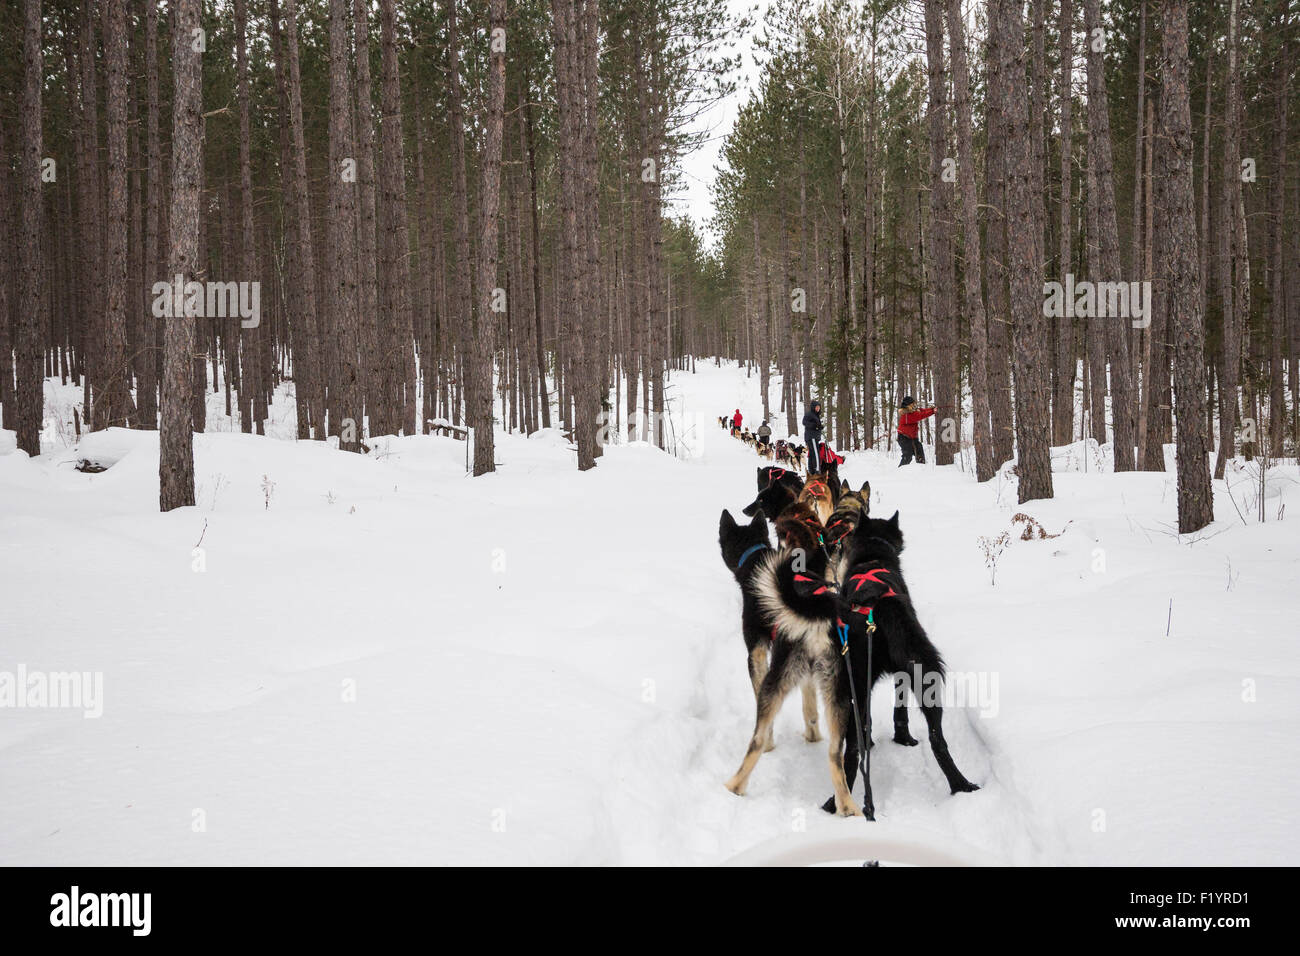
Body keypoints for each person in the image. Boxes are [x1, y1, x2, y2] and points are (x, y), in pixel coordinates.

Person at [897, 396, 936, 466]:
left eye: (914, 404)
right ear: (907, 406)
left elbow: (921, 411)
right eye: (912, 405)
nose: (914, 406)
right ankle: (900, 471)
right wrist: (932, 411)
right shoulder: (906, 415)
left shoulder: (912, 411)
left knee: (919, 450)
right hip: (904, 438)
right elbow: (920, 415)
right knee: (907, 455)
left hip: (912, 438)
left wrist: (931, 409)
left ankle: (921, 468)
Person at [802, 400, 824, 474]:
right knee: (815, 453)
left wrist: (820, 427)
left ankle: (811, 471)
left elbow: (815, 425)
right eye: (816, 407)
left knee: (812, 454)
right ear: (813, 407)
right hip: (812, 437)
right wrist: (815, 426)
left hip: (813, 436)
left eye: (819, 407)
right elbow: (804, 422)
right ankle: (817, 470)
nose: (818, 408)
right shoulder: (810, 414)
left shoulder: (815, 415)